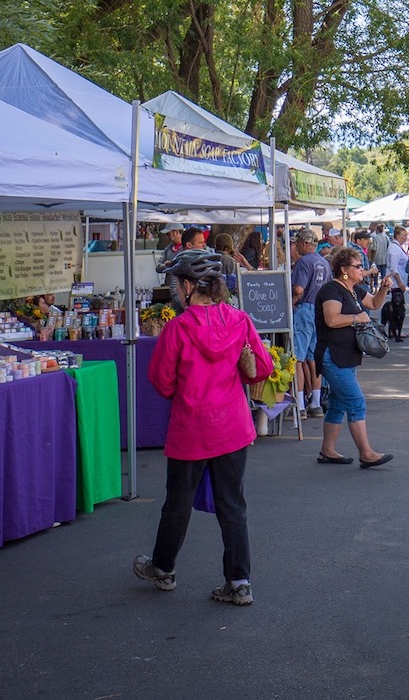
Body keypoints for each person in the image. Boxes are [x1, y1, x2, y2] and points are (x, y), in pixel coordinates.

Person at [133, 249, 273, 606]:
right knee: (233, 505)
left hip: (192, 427)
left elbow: (162, 382)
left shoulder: (178, 327)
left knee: (177, 503)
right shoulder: (239, 319)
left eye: (178, 283)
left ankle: (163, 568)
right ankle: (239, 582)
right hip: (232, 426)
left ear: (189, 285)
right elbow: (261, 367)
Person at [314, 247, 394, 468]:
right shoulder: (332, 290)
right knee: (356, 401)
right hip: (333, 354)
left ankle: (327, 450)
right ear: (344, 270)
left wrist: (383, 289)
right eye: (358, 266)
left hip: (348, 354)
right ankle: (366, 453)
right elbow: (332, 320)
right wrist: (357, 318)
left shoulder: (353, 290)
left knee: (339, 403)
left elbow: (375, 304)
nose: (362, 270)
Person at [290, 228, 331, 418]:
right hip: (319, 310)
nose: (296, 245)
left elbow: (298, 288)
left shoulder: (303, 262)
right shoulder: (324, 263)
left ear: (305, 244)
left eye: (298, 242)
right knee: (313, 358)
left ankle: (299, 404)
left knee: (297, 358)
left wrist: (292, 301)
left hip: (305, 309)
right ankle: (316, 402)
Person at [382, 225, 409, 341]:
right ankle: (395, 331)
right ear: (397, 235)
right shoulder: (394, 249)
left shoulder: (398, 247)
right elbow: (394, 268)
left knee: (398, 309)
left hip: (399, 281)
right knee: (396, 309)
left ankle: (396, 330)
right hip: (396, 283)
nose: (406, 238)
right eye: (404, 236)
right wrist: (400, 283)